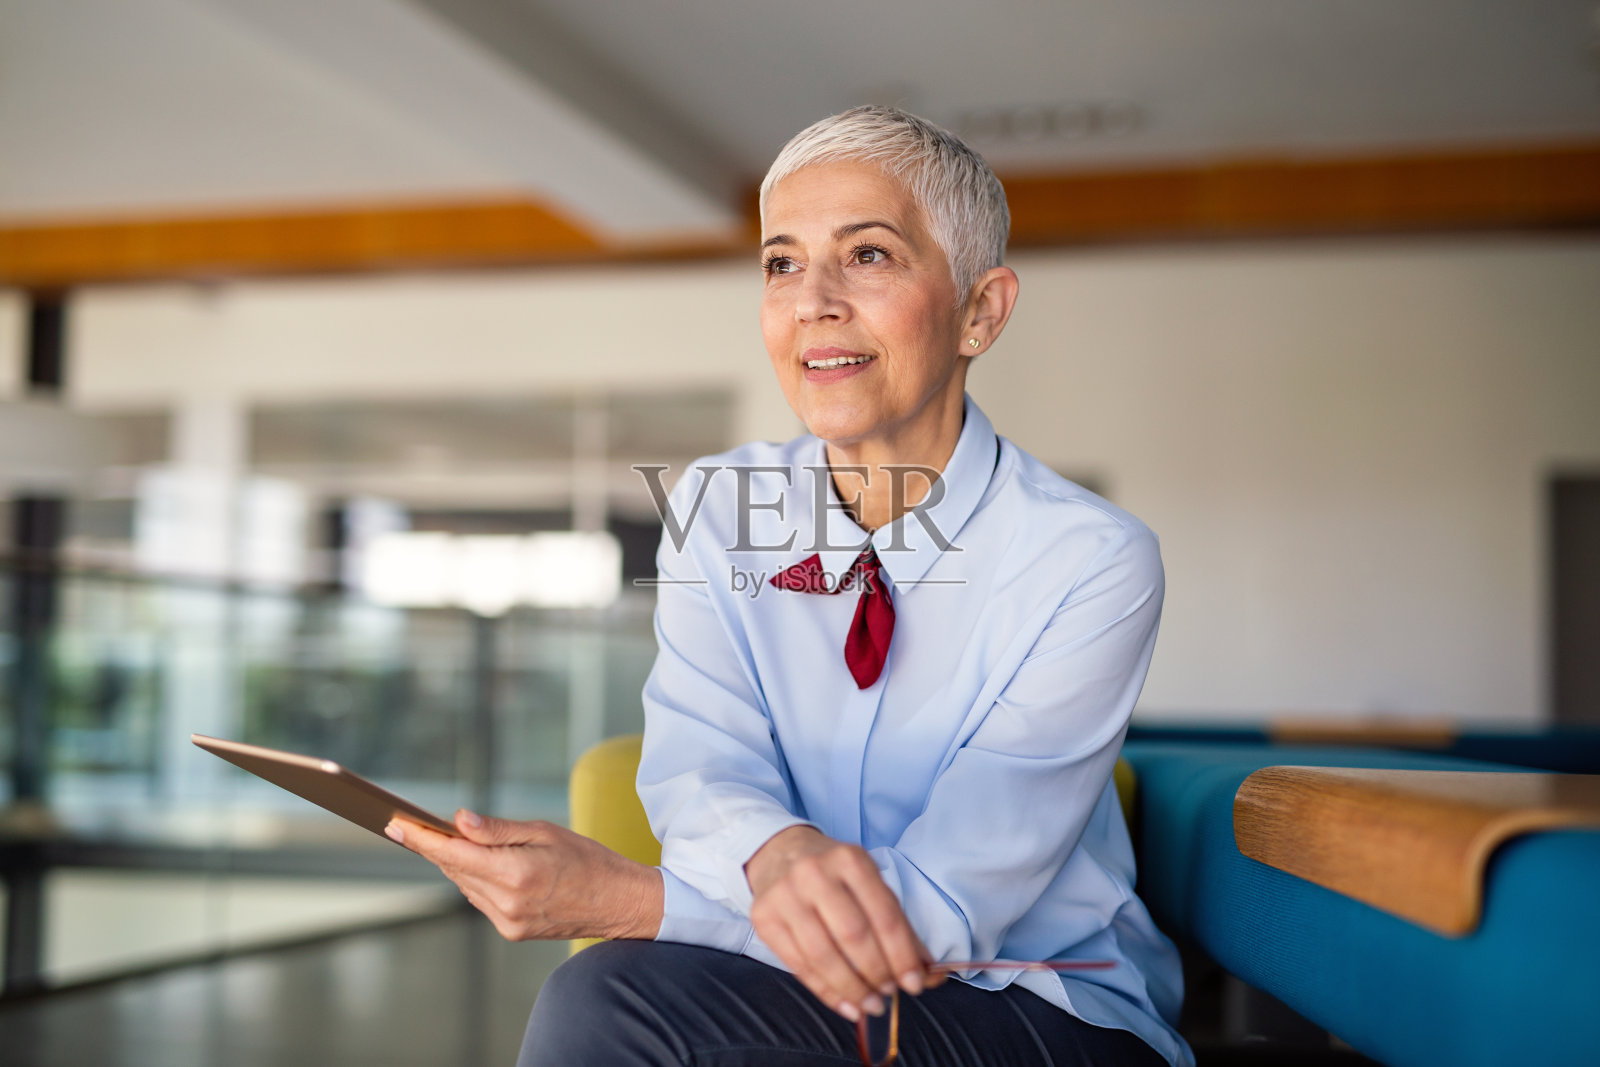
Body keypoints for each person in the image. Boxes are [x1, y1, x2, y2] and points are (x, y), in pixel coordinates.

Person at [387, 105, 1192, 1067]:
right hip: (790, 987)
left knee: (608, 1005)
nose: (813, 299)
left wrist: (629, 899)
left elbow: (943, 913)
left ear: (981, 310)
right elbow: (702, 771)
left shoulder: (1090, 560)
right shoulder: (719, 507)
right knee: (603, 994)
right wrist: (776, 854)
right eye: (780, 262)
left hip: (1039, 1002)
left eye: (868, 255)